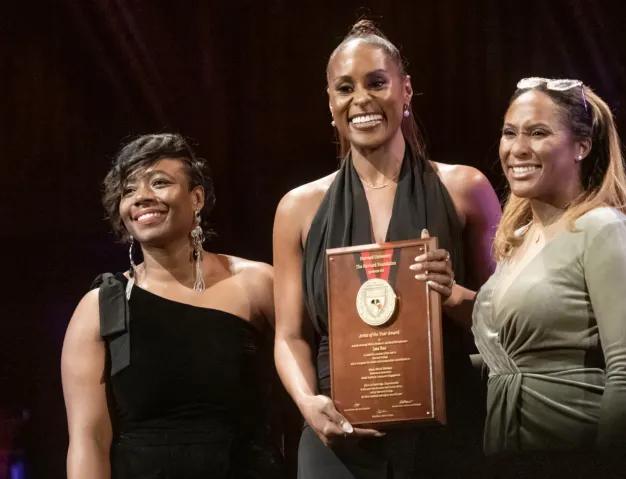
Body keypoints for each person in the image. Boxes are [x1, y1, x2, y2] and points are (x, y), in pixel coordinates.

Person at [273, 19, 502, 478]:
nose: (361, 100)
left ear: (407, 90)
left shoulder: (464, 189)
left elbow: (509, 325)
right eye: (344, 88)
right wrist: (307, 404)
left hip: (446, 431)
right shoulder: (297, 209)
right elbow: (290, 334)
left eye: (377, 83)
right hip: (337, 434)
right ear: (330, 102)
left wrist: (452, 293)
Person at [61, 134, 283, 478]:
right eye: (129, 190)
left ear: (197, 197)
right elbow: (88, 441)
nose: (142, 198)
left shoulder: (257, 284)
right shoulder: (101, 306)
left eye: (160, 183)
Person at [471, 77, 626, 457]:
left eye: (538, 133)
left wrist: (607, 467)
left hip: (585, 450)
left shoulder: (603, 229)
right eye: (510, 133)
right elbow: (517, 358)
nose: (517, 149)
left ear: (581, 146)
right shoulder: (520, 238)